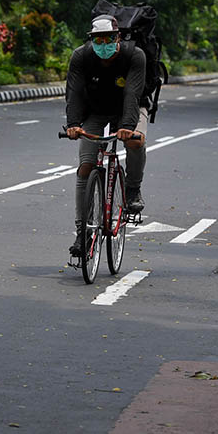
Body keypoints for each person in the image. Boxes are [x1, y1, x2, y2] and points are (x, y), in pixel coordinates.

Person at [64, 13, 148, 257]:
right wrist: (73, 124)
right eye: (97, 40)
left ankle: (132, 189)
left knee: (136, 141)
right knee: (86, 166)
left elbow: (132, 94)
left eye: (108, 39)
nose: (103, 45)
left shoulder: (135, 56)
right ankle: (82, 233)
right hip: (96, 110)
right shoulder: (81, 56)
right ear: (91, 40)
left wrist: (128, 126)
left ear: (118, 37)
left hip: (128, 109)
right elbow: (74, 92)